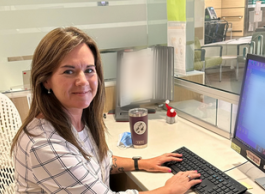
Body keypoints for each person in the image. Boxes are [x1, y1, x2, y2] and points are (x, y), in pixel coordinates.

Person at [11, 27, 201, 194]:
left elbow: (100, 161)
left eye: (89, 70)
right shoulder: (45, 146)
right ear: (46, 80)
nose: (83, 81)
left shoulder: (78, 119)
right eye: (69, 71)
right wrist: (168, 190)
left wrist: (141, 162)